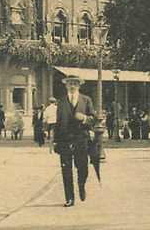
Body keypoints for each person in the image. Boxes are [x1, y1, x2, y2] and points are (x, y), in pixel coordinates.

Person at [53, 74, 95, 207]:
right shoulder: (61, 101)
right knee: (66, 170)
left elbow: (94, 119)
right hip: (65, 140)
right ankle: (69, 198)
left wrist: (84, 118)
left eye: (75, 84)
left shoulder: (86, 100)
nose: (72, 86)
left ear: (79, 86)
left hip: (81, 139)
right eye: (70, 83)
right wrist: (56, 141)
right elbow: (58, 122)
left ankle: (81, 185)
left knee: (82, 168)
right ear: (66, 85)